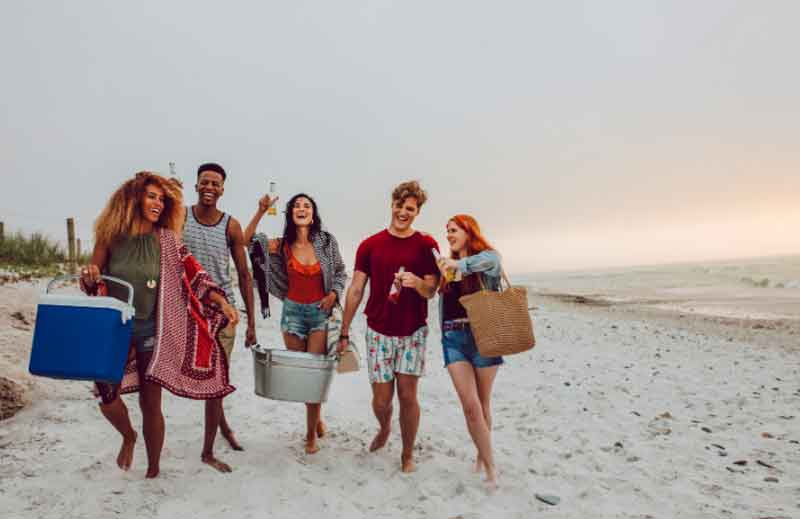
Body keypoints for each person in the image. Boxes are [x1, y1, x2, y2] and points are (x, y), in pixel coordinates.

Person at [80, 171, 239, 479]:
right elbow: (93, 276)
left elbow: (196, 273)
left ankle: (153, 470)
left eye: (162, 199)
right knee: (105, 394)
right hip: (116, 327)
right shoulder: (112, 235)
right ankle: (128, 435)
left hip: (153, 329)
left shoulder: (167, 239)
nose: (157, 203)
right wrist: (89, 276)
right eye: (151, 196)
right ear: (133, 197)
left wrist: (221, 302)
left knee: (150, 402)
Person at [337, 181, 439, 473]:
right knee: (382, 400)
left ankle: (407, 454)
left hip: (412, 332)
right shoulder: (370, 245)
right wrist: (344, 331)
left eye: (411, 209)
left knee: (408, 395)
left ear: (417, 212)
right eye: (400, 206)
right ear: (392, 204)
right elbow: (356, 289)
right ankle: (384, 427)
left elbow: (432, 288)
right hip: (378, 331)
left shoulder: (426, 245)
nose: (403, 212)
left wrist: (418, 283)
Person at [245, 193, 347, 454]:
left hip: (319, 314)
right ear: (290, 214)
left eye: (307, 206)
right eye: (297, 206)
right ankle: (317, 418)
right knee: (303, 378)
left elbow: (340, 272)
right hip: (292, 315)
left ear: (313, 214)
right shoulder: (281, 245)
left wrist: (334, 294)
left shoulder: (326, 242)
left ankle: (311, 434)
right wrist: (260, 210)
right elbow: (246, 242)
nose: (302, 209)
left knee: (313, 377)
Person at [182, 162, 257, 472]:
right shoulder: (180, 217)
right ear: (196, 185)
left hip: (223, 312)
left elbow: (243, 274)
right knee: (203, 379)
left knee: (216, 381)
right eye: (205, 182)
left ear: (223, 189)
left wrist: (251, 322)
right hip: (187, 308)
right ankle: (224, 427)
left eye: (215, 183)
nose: (210, 187)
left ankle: (208, 451)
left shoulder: (231, 226)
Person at [436, 214, 503, 488]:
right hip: (453, 337)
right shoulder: (448, 267)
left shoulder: (486, 259)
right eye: (447, 231)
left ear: (468, 231)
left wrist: (457, 264)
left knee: (483, 403)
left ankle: (481, 456)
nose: (449, 235)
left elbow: (490, 262)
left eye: (454, 230)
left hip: (484, 335)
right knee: (471, 407)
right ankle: (491, 468)